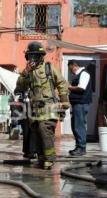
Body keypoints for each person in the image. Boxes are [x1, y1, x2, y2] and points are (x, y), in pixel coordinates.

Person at [14, 41, 70, 169]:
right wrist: (25, 73)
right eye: (31, 55)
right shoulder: (28, 72)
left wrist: (65, 101)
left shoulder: (48, 68)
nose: (33, 58)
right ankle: (42, 157)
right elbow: (19, 87)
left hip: (49, 107)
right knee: (37, 132)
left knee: (45, 131)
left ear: (41, 56)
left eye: (35, 55)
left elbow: (62, 83)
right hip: (34, 109)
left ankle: (49, 159)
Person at [68, 60, 92, 156]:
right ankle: (78, 146)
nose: (70, 71)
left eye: (70, 69)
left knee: (79, 126)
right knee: (75, 126)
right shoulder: (80, 74)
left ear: (74, 66)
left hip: (81, 104)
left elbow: (81, 87)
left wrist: (69, 87)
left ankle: (81, 148)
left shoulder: (84, 73)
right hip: (77, 104)